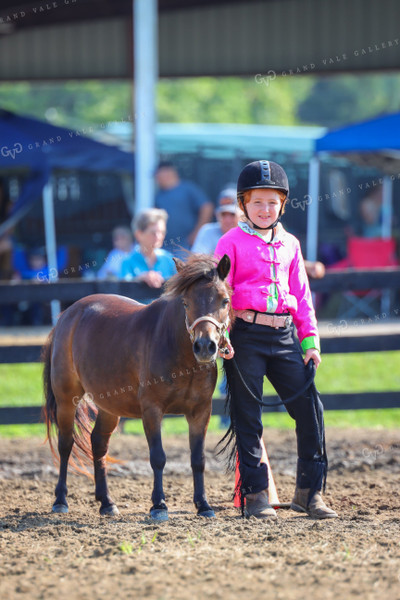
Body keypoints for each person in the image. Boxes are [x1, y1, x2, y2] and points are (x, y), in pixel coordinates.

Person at [215, 160, 337, 520]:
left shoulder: (291, 245)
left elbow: (302, 295)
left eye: (272, 203)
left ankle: (309, 493)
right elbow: (219, 294)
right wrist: (224, 337)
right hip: (246, 336)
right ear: (243, 205)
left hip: (284, 334)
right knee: (247, 417)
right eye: (257, 203)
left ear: (282, 205)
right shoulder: (230, 242)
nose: (265, 210)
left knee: (311, 411)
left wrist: (310, 342)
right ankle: (255, 495)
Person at [154, 161, 214, 255]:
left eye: (158, 175)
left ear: (169, 173)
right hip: (165, 246)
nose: (157, 179)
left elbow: (206, 207)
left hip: (186, 245)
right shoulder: (159, 195)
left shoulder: (188, 189)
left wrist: (197, 233)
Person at [121, 208, 176, 293]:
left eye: (162, 232)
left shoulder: (169, 259)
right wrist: (140, 279)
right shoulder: (127, 261)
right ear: (139, 234)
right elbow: (123, 292)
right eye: (153, 233)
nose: (158, 237)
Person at [191, 187, 241, 254]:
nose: (227, 220)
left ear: (241, 216)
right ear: (218, 216)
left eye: (232, 214)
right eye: (223, 214)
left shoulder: (250, 234)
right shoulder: (208, 231)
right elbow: (196, 257)